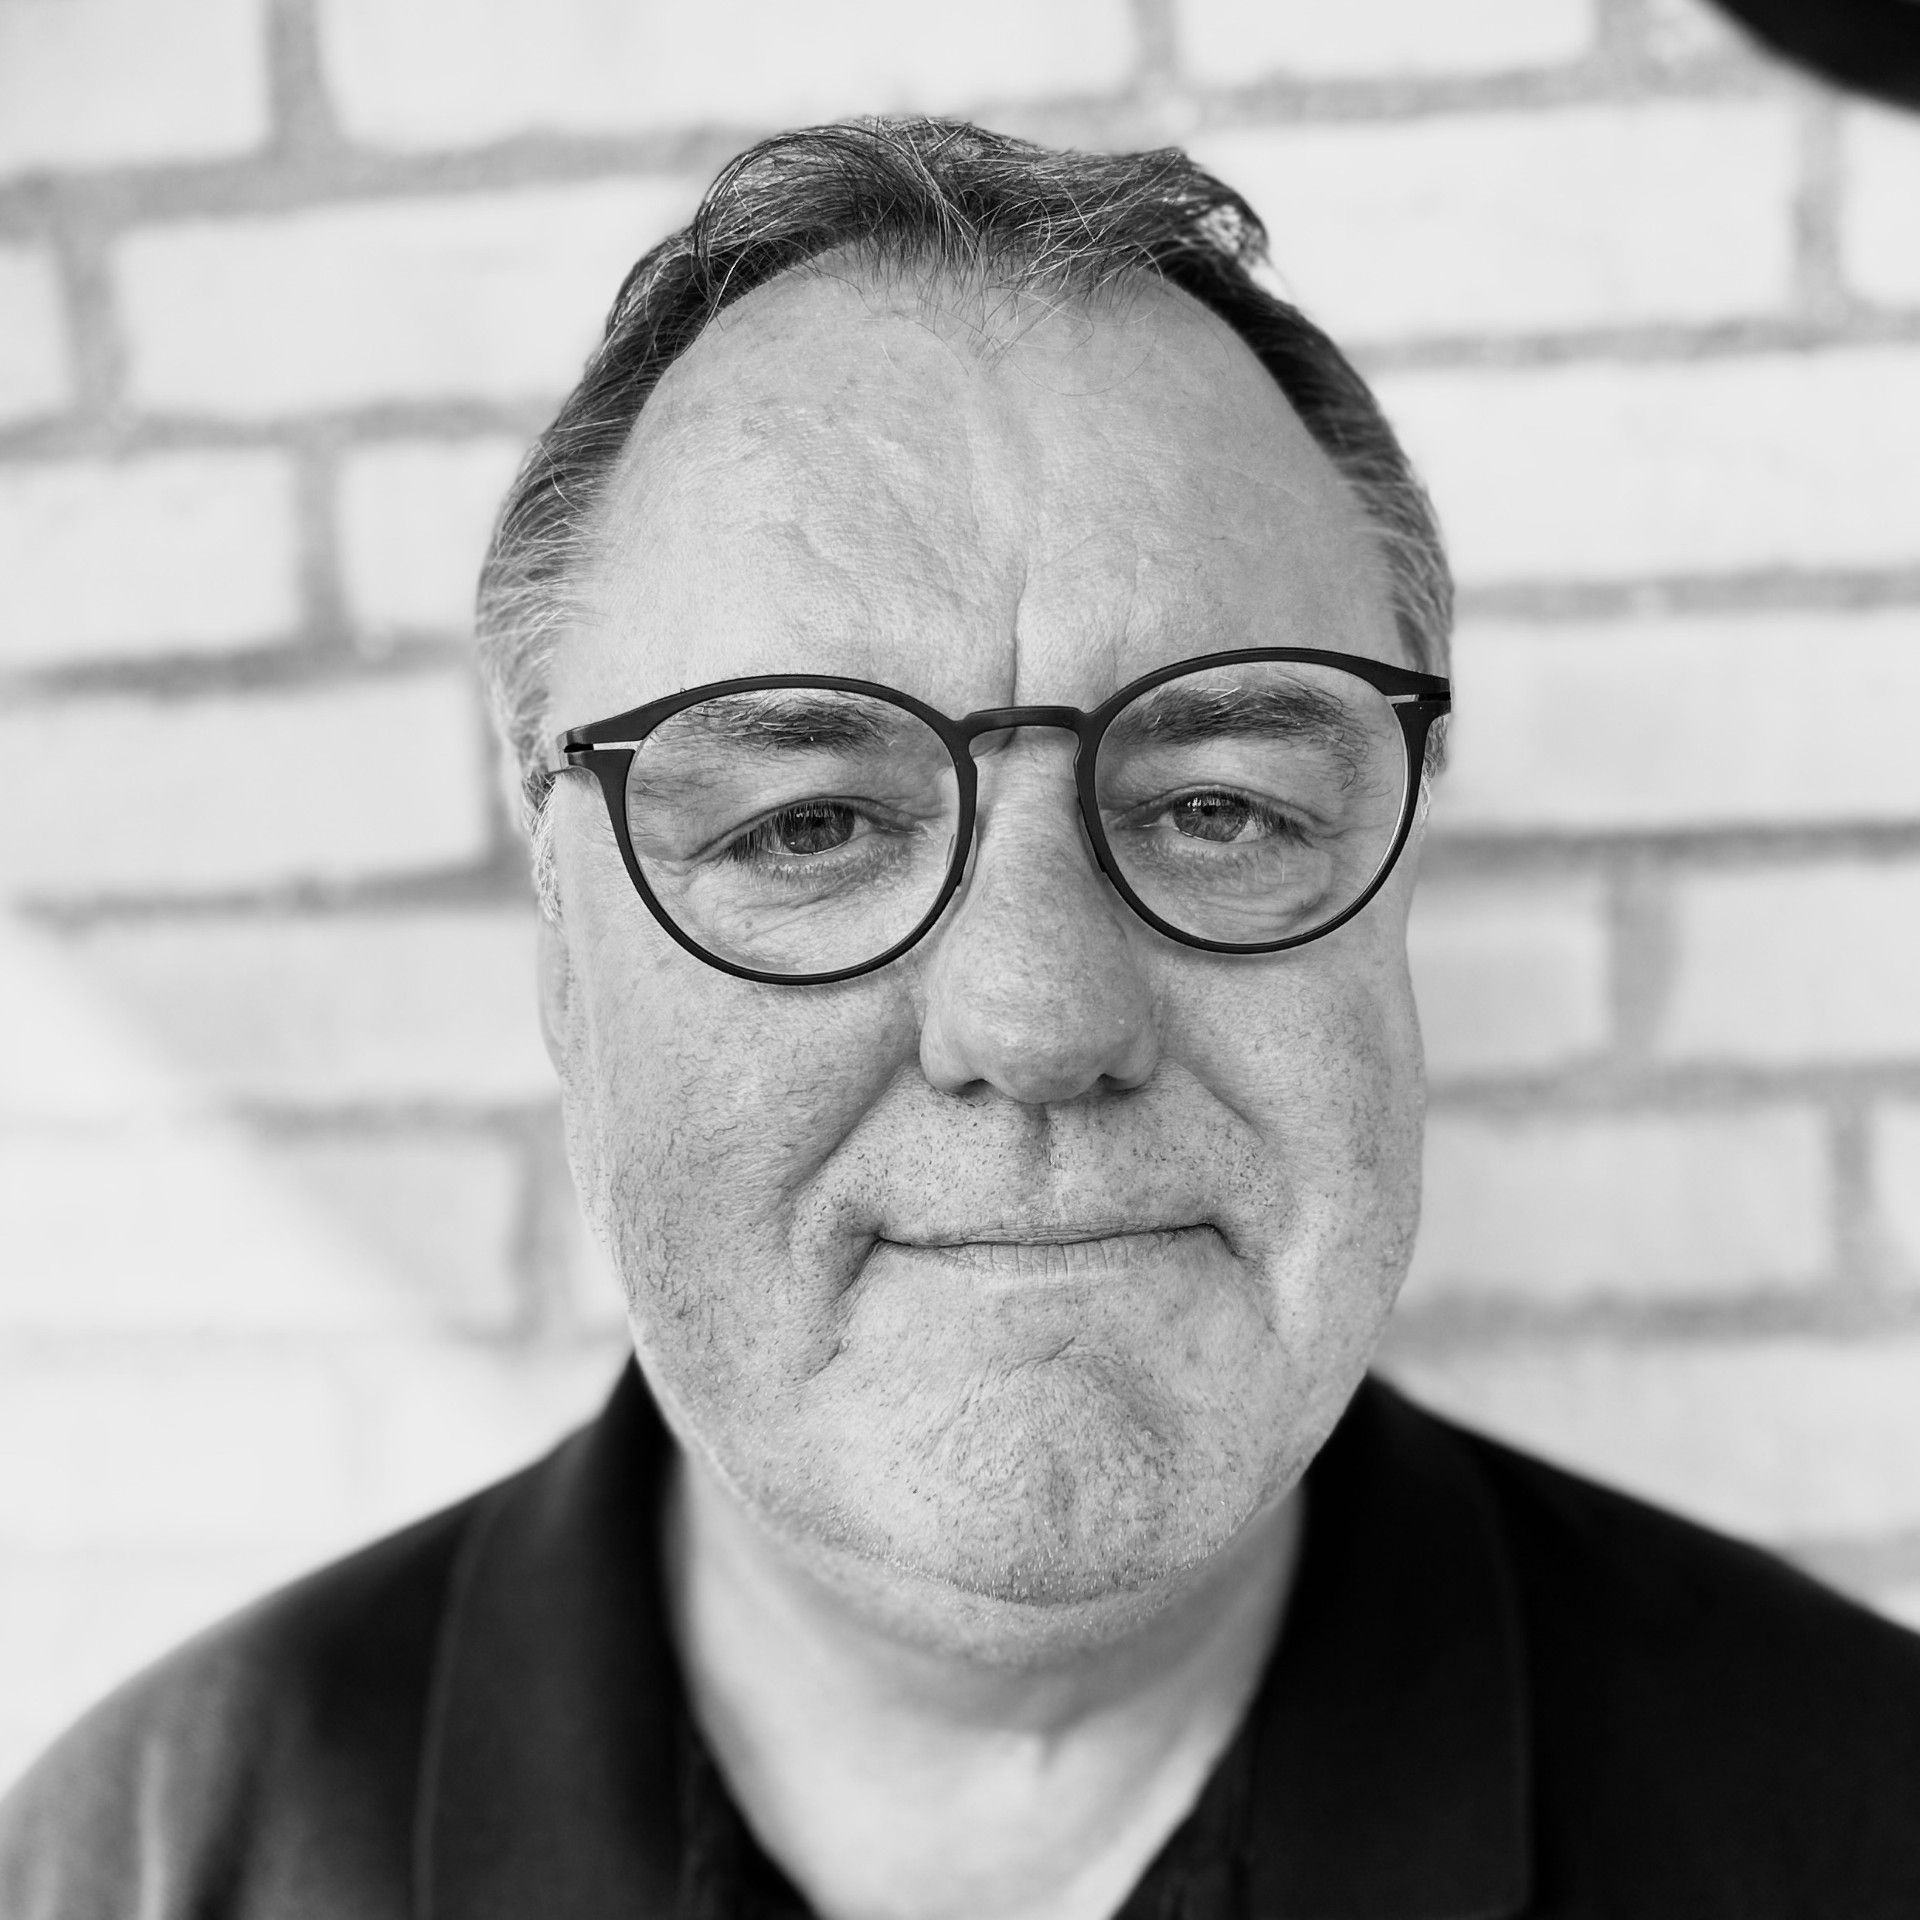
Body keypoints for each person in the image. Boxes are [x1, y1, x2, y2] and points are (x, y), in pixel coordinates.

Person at [4, 117, 1918, 1920]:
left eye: (1217, 807)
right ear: (564, 959)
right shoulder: (133, 1870)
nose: (1036, 1014)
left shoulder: (1865, 1824)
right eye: (806, 825)